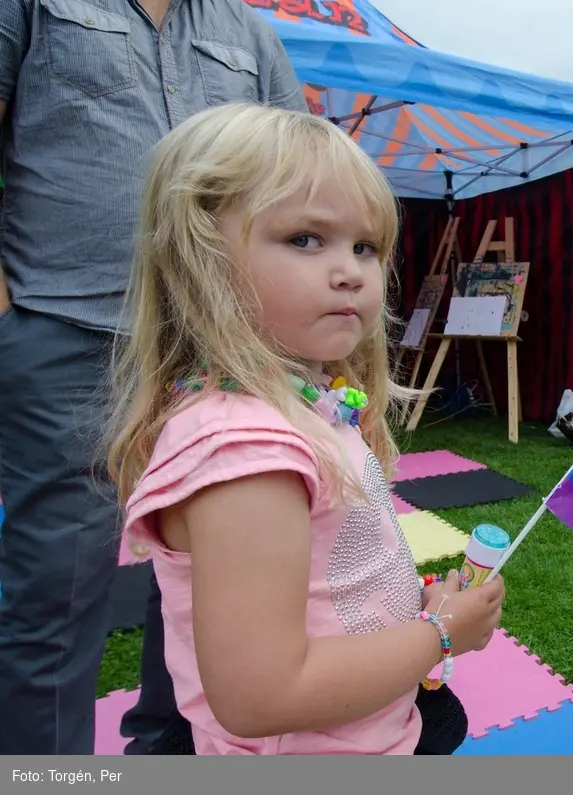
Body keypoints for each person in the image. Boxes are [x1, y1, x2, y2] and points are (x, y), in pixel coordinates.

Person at [107, 103, 505, 755]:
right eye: (305, 239)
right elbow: (259, 695)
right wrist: (437, 636)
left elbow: (327, 574)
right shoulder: (245, 451)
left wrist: (418, 608)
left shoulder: (307, 403)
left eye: (365, 245)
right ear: (200, 257)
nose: (350, 269)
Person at [0, 0, 309, 755]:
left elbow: (305, 177)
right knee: (56, 593)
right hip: (72, 331)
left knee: (224, 586)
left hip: (222, 356)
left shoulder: (251, 35)